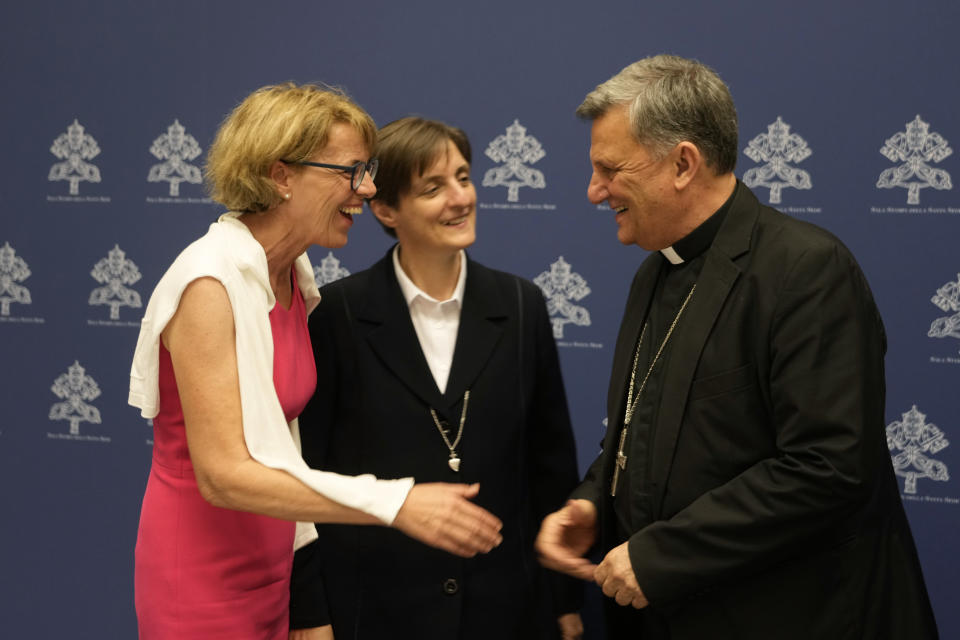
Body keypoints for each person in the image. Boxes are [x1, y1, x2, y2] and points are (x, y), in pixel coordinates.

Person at [535, 55, 939, 639]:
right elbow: (645, 429)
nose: (595, 192)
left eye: (610, 170)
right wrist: (594, 502)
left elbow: (827, 467)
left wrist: (660, 557)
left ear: (682, 163)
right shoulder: (653, 273)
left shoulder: (805, 269)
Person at [129, 85, 503, 640]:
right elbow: (224, 475)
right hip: (200, 579)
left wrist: (307, 602)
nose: (369, 188)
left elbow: (285, 450)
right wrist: (395, 502)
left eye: (368, 169)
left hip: (272, 568)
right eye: (351, 171)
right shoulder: (208, 282)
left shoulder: (293, 279)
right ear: (282, 176)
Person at [288, 117, 584, 640]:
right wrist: (311, 614)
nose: (460, 198)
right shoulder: (338, 315)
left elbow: (550, 467)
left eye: (464, 178)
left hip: (507, 612)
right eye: (433, 187)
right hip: (376, 609)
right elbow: (307, 478)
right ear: (384, 209)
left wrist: (564, 604)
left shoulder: (521, 306)